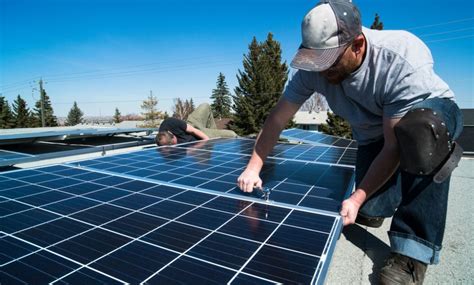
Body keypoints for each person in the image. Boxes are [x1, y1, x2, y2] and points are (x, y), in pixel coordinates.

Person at [236, 0, 463, 284]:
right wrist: (254, 167)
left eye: (329, 62)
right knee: (370, 207)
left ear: (357, 45)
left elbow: (394, 147)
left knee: (421, 136)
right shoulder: (313, 69)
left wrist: (356, 197)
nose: (321, 71)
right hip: (373, 132)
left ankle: (412, 253)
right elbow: (277, 119)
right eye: (316, 61)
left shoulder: (400, 55)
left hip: (427, 118)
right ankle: (377, 206)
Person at [156, 103, 237, 146]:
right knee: (232, 134)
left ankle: (213, 131)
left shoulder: (170, 122)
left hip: (194, 128)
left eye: (175, 142)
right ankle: (213, 132)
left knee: (205, 106)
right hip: (197, 141)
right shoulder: (163, 144)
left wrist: (209, 142)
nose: (176, 144)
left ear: (171, 134)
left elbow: (193, 130)